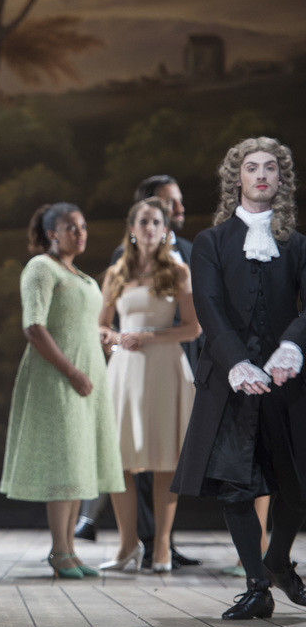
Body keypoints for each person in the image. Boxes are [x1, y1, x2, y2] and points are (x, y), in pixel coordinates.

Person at [171, 137, 306, 620]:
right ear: (237, 178)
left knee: (297, 486)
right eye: (252, 167)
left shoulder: (297, 244)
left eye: (270, 167)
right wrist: (235, 362)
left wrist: (292, 346)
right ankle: (257, 587)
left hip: (286, 379)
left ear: (281, 179)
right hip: (230, 380)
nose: (261, 175)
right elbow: (208, 307)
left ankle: (278, 561)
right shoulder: (211, 242)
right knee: (235, 487)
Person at [75, 175, 205, 570]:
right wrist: (114, 339)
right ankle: (127, 545)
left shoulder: (178, 272)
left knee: (165, 460)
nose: (150, 228)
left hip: (166, 368)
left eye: (157, 223)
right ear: (131, 229)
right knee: (120, 461)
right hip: (126, 371)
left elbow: (193, 328)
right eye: (143, 222)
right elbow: (100, 326)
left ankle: (162, 548)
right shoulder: (117, 272)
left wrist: (148, 336)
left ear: (165, 231)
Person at [0, 202, 123, 579]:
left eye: (83, 226)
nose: (80, 233)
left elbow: (79, 323)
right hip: (59, 378)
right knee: (64, 465)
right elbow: (34, 327)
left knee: (79, 464)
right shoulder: (41, 267)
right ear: (52, 233)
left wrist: (102, 337)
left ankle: (70, 550)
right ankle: (58, 551)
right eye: (72, 227)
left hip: (87, 379)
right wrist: (71, 371)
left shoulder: (82, 277)